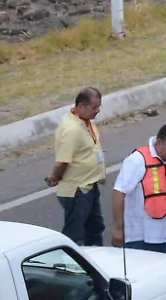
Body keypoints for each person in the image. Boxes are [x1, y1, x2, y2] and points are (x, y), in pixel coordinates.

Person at [112, 124, 166, 254]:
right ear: (159, 142)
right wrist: (119, 228)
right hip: (138, 238)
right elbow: (119, 193)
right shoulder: (137, 160)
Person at [46, 87, 107, 246]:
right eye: (94, 107)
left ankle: (95, 261)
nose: (98, 111)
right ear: (81, 106)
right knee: (75, 234)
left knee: (95, 228)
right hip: (77, 191)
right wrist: (54, 177)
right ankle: (71, 266)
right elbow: (62, 162)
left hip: (89, 186)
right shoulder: (71, 130)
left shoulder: (85, 122)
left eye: (99, 106)